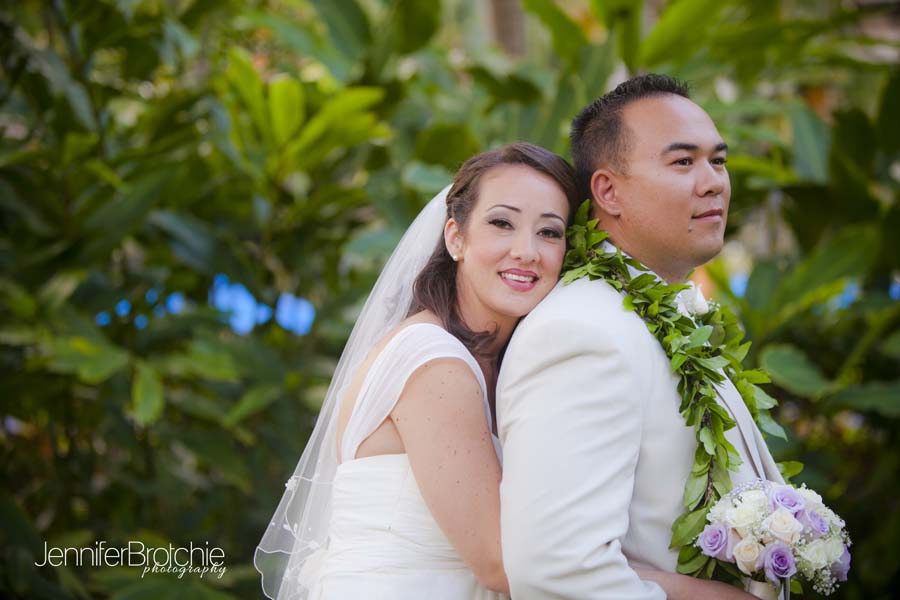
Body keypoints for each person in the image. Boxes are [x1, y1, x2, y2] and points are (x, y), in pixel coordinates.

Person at [496, 74, 785, 599]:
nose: (713, 181)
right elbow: (556, 569)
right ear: (607, 191)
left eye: (717, 161)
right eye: (683, 162)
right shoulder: (581, 333)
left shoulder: (666, 317)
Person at [255, 142, 578, 600]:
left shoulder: (503, 367)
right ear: (455, 237)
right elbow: (499, 562)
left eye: (549, 232)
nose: (527, 251)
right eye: (502, 223)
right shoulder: (433, 363)